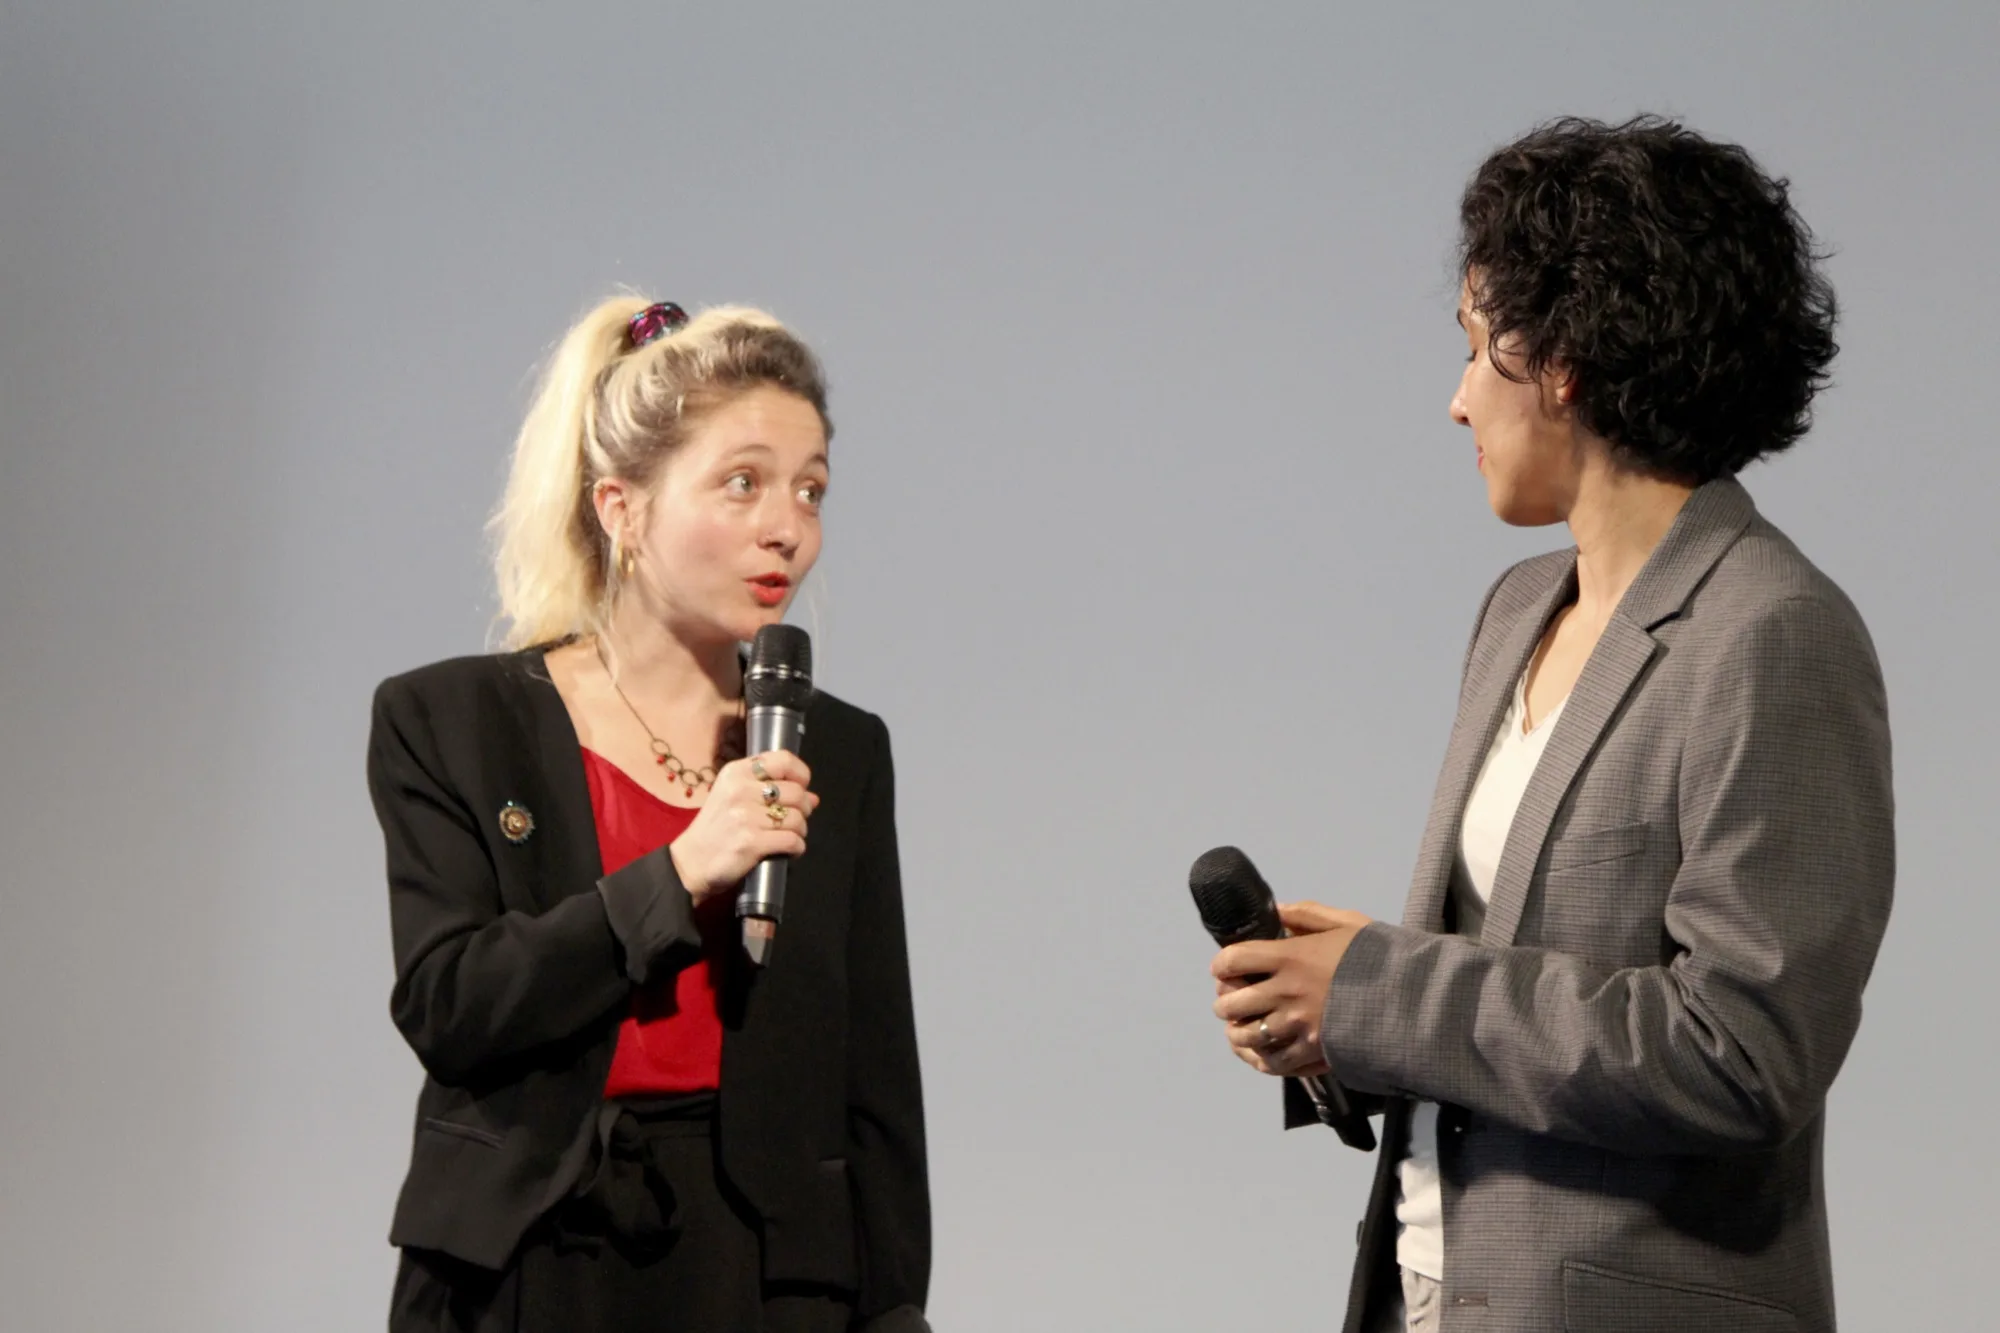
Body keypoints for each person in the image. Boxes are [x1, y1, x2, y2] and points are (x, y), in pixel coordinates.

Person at [1210, 116, 1892, 1333]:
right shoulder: (1516, 609)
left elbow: (1740, 1053)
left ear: (1565, 359)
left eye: (1475, 346)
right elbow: (1497, 991)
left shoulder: (1773, 631)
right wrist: (1335, 1022)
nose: (1456, 400)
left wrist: (1377, 989)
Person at [367, 296, 930, 1333]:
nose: (787, 526)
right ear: (621, 508)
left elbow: (875, 1079)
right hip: (524, 1261)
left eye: (810, 489)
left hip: (765, 1273)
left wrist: (895, 1311)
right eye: (743, 482)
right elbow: (450, 1005)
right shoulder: (451, 719)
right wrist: (676, 874)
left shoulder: (840, 750)